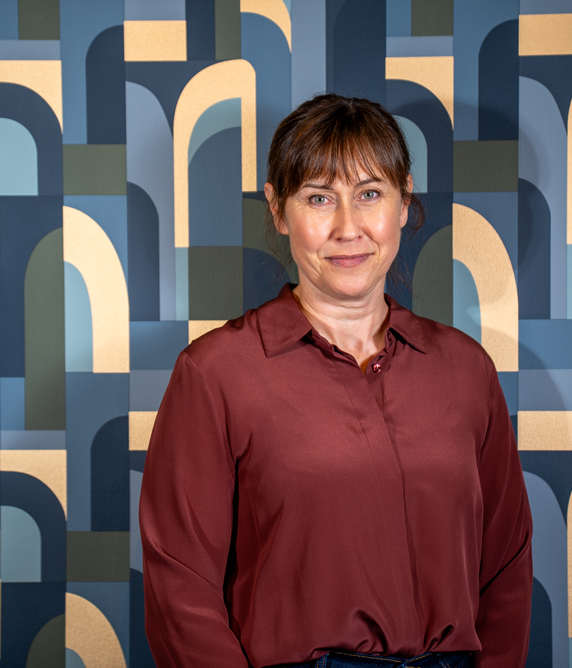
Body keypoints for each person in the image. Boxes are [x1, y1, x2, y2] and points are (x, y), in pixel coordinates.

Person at [139, 94, 532, 668]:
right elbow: (180, 587)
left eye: (370, 194)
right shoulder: (216, 373)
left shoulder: (465, 369)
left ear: (403, 202)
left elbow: (506, 568)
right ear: (279, 210)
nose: (348, 228)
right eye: (319, 198)